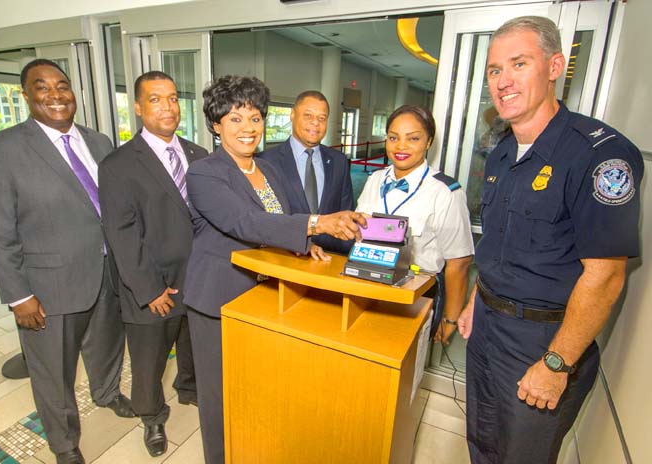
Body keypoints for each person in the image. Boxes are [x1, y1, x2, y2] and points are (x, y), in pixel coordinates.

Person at [457, 16, 643, 463]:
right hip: (488, 326)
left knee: (523, 455)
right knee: (482, 443)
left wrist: (557, 364)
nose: (503, 81)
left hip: (543, 340)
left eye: (518, 64)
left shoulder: (600, 155)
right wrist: (473, 301)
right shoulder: (502, 150)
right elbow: (500, 247)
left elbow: (606, 276)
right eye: (495, 70)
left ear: (555, 66)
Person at [182, 75, 365, 464]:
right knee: (220, 397)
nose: (247, 128)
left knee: (257, 390)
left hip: (266, 297)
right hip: (219, 300)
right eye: (235, 119)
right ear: (215, 125)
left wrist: (307, 244)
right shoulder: (204, 172)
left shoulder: (269, 169)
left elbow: (282, 219)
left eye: (254, 118)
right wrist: (317, 224)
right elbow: (244, 222)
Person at [0, 59, 134, 464]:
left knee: (108, 346)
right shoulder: (0, 150)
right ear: (25, 96)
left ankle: (107, 392)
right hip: (48, 286)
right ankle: (64, 444)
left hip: (107, 274)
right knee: (53, 372)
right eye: (41, 87)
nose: (55, 95)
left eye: (62, 86)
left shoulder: (99, 143)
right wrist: (18, 296)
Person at [98, 71, 208, 457]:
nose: (168, 107)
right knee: (148, 362)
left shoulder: (198, 155)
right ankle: (152, 417)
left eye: (174, 98)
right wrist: (148, 291)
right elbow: (122, 234)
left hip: (196, 279)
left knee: (193, 346)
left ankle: (189, 390)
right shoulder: (119, 164)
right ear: (139, 107)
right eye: (156, 99)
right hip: (152, 285)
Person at [356, 104, 474, 345]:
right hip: (368, 287)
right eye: (393, 138)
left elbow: (459, 263)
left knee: (404, 373)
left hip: (417, 294)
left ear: (429, 142)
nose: (401, 146)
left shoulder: (445, 191)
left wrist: (449, 319)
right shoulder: (374, 180)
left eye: (413, 138)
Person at [260, 90, 355, 254]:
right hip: (285, 258)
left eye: (321, 118)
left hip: (331, 259)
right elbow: (264, 221)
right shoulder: (266, 162)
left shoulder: (339, 161)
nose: (315, 123)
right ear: (292, 115)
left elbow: (346, 214)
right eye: (308, 116)